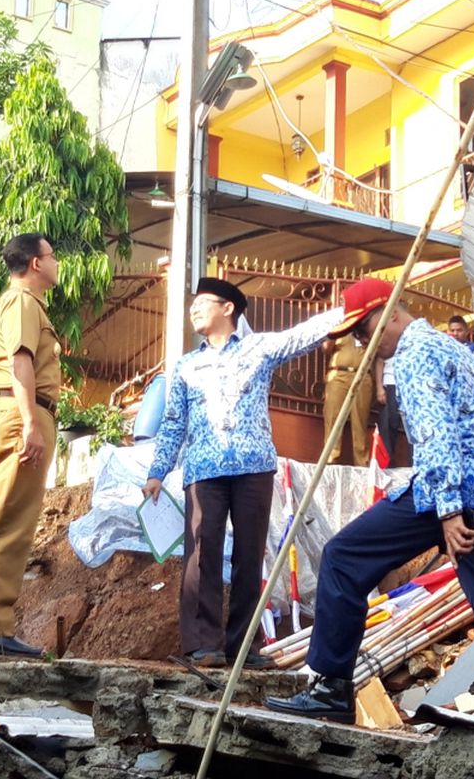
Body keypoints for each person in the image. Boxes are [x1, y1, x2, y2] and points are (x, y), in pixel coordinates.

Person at [265, 278, 474, 727]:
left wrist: (447, 509)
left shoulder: (415, 354)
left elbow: (435, 434)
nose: (362, 342)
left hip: (452, 491)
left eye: (364, 330)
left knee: (343, 558)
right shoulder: (449, 349)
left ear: (388, 312)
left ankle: (330, 686)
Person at [144, 278, 341, 670]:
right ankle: (203, 644)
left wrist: (352, 306)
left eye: (203, 303)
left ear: (228, 308)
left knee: (251, 557)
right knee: (203, 554)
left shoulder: (259, 349)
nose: (194, 309)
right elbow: (172, 423)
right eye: (193, 304)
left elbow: (303, 335)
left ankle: (243, 646)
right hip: (203, 469)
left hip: (254, 467)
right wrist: (157, 470)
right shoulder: (186, 365)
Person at [0, 233, 61, 657]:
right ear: (36, 264)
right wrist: (30, 423)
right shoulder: (23, 301)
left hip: (15, 410)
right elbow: (19, 360)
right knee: (10, 522)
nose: (57, 263)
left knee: (11, 520)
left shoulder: (19, 303)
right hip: (20, 410)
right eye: (52, 256)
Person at [322, 334, 372, 466]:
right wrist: (334, 335)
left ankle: (362, 464)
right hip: (338, 374)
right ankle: (330, 460)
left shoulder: (367, 326)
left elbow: (381, 350)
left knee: (360, 422)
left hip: (362, 375)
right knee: (333, 417)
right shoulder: (341, 326)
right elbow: (325, 349)